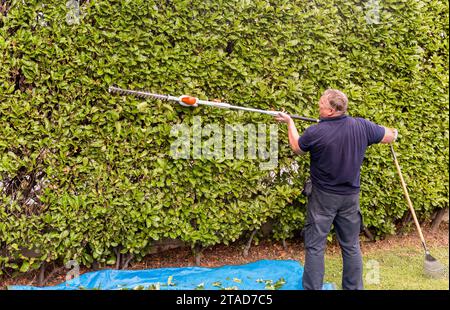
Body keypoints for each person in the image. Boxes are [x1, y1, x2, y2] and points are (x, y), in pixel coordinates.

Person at [275, 89, 398, 290]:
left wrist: (290, 123)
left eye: (321, 104)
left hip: (323, 199)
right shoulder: (362, 126)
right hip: (350, 198)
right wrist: (393, 132)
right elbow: (389, 136)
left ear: (331, 111)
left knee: (315, 247)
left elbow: (297, 147)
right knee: (351, 246)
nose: (318, 105)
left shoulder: (316, 132)